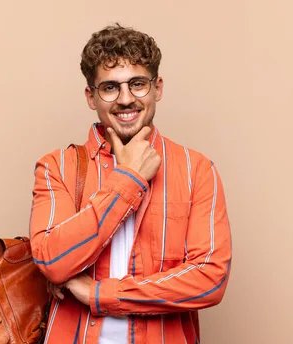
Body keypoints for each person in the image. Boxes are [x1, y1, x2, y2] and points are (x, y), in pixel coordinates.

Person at [29, 23, 232, 344]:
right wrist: (129, 179)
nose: (125, 99)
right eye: (110, 87)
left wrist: (101, 294)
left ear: (158, 88)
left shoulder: (197, 169)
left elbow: (210, 279)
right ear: (90, 96)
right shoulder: (58, 167)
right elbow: (53, 262)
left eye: (137, 84)